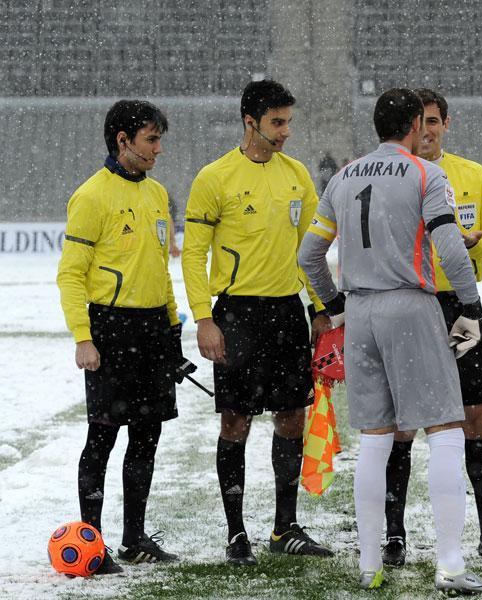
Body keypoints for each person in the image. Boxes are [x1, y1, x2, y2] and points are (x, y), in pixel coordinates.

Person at [298, 87, 482, 595]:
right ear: (413, 125)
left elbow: (309, 256)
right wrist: (471, 307)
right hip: (410, 305)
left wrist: (335, 305)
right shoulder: (427, 173)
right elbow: (449, 248)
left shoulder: (342, 177)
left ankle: (369, 565)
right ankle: (450, 564)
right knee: (446, 428)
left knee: (375, 438)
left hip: (361, 310)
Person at [182, 79, 333, 566]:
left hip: (287, 312)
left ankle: (285, 527)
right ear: (251, 122)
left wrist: (320, 308)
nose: (286, 131)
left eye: (288, 121)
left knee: (292, 417)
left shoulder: (298, 175)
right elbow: (193, 256)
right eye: (277, 122)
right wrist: (204, 318)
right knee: (236, 421)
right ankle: (236, 533)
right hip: (237, 315)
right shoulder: (214, 178)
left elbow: (312, 251)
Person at [379, 87, 482, 568]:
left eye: (435, 121)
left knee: (476, 416)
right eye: (421, 121)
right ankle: (394, 536)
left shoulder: (473, 175)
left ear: (446, 124)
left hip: (461, 307)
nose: (428, 130)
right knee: (402, 424)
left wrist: (475, 244)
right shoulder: (391, 176)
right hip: (409, 304)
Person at [57, 99, 182, 574]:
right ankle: (92, 542)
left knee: (147, 437)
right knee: (102, 437)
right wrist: (82, 336)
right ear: (122, 140)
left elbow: (161, 271)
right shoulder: (91, 196)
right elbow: (71, 274)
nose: (158, 149)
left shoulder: (157, 194)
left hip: (153, 329)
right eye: (151, 139)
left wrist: (172, 329)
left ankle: (134, 537)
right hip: (110, 329)